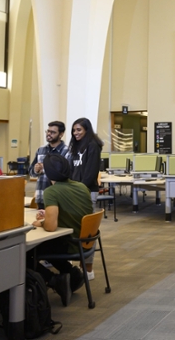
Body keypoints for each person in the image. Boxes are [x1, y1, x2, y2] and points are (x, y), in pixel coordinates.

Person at [29, 153, 93, 307]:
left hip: (70, 243)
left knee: (28, 253)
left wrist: (41, 223)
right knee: (46, 245)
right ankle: (73, 274)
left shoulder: (52, 191)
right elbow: (71, 210)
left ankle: (55, 281)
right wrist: (49, 215)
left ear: (48, 172)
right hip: (85, 241)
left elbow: (51, 227)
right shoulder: (81, 186)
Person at [67, 117, 103, 280]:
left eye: (79, 130)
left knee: (88, 231)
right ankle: (73, 264)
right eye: (74, 130)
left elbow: (90, 173)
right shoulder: (74, 147)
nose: (76, 133)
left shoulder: (93, 146)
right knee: (73, 227)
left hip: (87, 192)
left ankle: (88, 268)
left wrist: (78, 190)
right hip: (74, 192)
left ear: (87, 130)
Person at [29, 121, 69, 209]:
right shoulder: (41, 150)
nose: (49, 134)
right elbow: (31, 172)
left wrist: (44, 169)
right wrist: (35, 170)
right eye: (48, 131)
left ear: (61, 134)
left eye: (53, 132)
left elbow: (65, 174)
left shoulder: (66, 151)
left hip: (57, 196)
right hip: (41, 195)